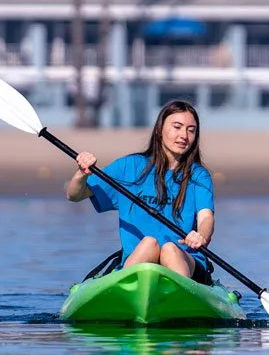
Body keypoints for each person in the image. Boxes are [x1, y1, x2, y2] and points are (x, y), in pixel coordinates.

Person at [67, 99, 216, 282]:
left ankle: (181, 296)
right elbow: (74, 195)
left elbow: (206, 217)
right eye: (177, 127)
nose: (184, 135)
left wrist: (201, 235)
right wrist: (81, 174)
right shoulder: (129, 167)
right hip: (140, 259)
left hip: (187, 261)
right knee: (149, 243)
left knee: (169, 249)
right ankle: (126, 288)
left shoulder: (198, 176)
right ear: (160, 129)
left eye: (191, 130)